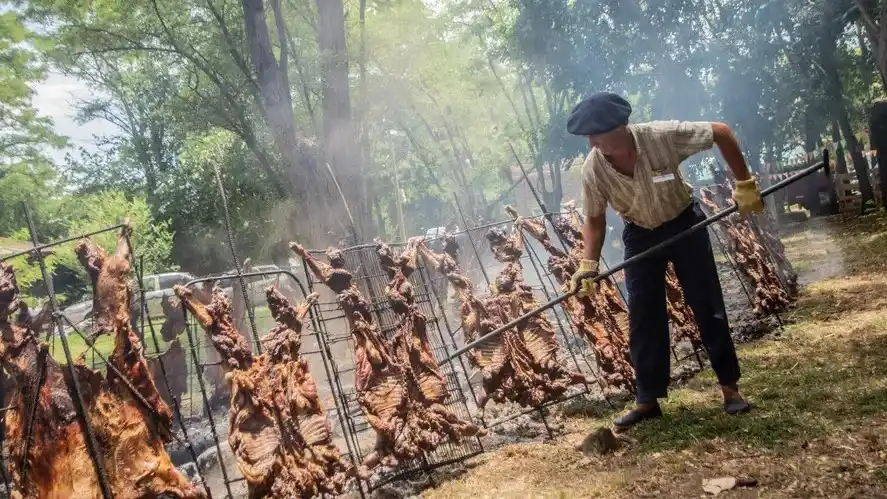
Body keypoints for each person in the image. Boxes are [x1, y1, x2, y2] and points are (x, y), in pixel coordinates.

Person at [567, 92, 761, 431]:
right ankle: (647, 400)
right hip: (640, 234)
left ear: (621, 127)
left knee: (707, 305)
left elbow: (721, 132)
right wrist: (588, 264)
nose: (592, 143)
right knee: (643, 316)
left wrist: (744, 183)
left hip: (684, 222)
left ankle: (730, 390)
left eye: (597, 134)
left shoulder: (661, 136)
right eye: (588, 137)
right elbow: (595, 221)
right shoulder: (593, 169)